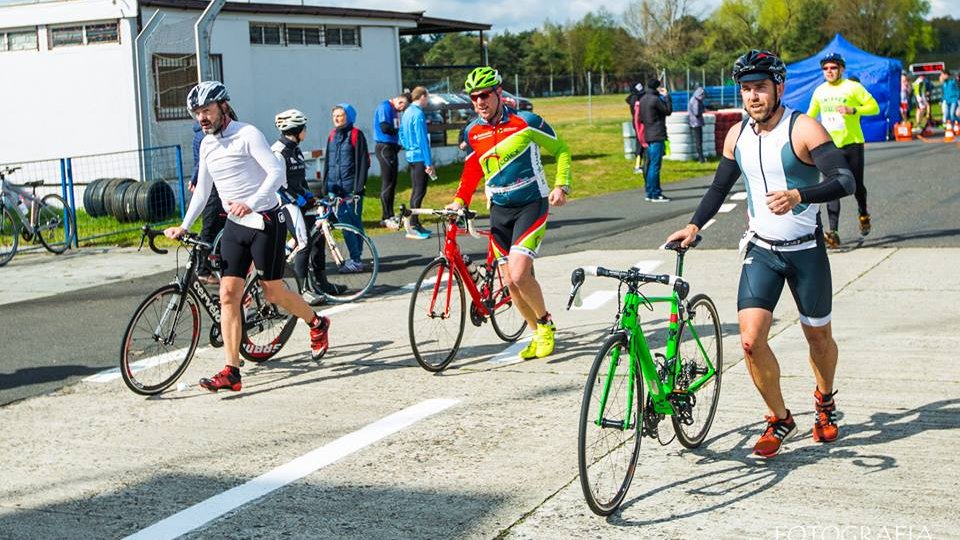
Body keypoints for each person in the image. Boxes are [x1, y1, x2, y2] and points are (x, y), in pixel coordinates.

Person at [666, 50, 855, 458]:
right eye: (746, 89)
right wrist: (695, 225)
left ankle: (824, 402)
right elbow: (719, 188)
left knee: (818, 336)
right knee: (750, 341)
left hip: (806, 251)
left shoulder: (803, 128)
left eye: (760, 88)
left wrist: (800, 194)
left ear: (779, 88)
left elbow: (844, 180)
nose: (753, 96)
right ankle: (780, 417)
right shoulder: (738, 135)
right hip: (762, 251)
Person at [165, 81, 332, 392]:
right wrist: (185, 225)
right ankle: (231, 371)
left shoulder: (247, 134)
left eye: (206, 110)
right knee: (228, 294)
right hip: (236, 225)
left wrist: (251, 202)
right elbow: (202, 191)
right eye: (197, 113)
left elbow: (276, 173)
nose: (201, 117)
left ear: (223, 107)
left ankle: (317, 323)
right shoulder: (206, 144)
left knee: (273, 293)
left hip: (266, 220)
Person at [447, 66, 572, 360]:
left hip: (531, 204)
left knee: (518, 274)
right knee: (509, 281)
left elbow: (562, 149)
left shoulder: (525, 122)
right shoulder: (473, 130)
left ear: (499, 93)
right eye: (474, 97)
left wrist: (561, 186)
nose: (480, 102)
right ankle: (537, 333)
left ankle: (546, 323)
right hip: (500, 210)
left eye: (485, 95)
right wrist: (459, 200)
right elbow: (473, 168)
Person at [270, 108, 345, 305]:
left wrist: (311, 198)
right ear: (295, 129)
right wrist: (300, 200)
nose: (306, 131)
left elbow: (300, 182)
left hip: (299, 201)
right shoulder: (278, 152)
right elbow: (277, 186)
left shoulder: (295, 150)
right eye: (304, 128)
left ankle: (322, 283)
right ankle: (302, 292)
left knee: (317, 237)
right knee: (303, 242)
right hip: (285, 204)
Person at [807, 52, 879, 247]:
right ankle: (833, 232)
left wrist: (853, 110)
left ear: (842, 69)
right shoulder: (819, 91)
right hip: (829, 147)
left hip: (852, 143)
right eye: (826, 68)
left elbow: (875, 107)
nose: (829, 71)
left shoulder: (853, 87)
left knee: (857, 186)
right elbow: (810, 116)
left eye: (833, 67)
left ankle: (863, 212)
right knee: (832, 189)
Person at [322, 103, 370, 272]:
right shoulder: (332, 136)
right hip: (335, 189)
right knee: (345, 223)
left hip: (351, 189)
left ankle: (357, 258)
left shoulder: (357, 135)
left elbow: (363, 162)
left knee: (355, 223)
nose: (336, 118)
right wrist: (325, 186)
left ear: (348, 116)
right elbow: (327, 162)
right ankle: (356, 257)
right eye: (334, 115)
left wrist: (358, 188)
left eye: (340, 115)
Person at [190, 120, 226, 285]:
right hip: (211, 187)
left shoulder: (206, 135)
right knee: (209, 227)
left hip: (217, 186)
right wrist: (194, 179)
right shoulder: (203, 137)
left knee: (219, 225)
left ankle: (215, 263)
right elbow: (201, 164)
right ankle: (202, 269)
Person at [399, 86, 434, 239]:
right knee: (420, 191)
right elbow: (422, 139)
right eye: (427, 97)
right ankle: (413, 224)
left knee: (415, 190)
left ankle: (415, 223)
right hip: (420, 156)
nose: (428, 100)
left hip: (410, 155)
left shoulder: (406, 111)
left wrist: (407, 146)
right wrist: (429, 163)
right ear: (422, 97)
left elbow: (400, 133)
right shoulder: (418, 113)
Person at [373, 92, 410, 230]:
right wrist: (401, 130)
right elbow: (385, 127)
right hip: (384, 147)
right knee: (387, 182)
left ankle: (390, 213)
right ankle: (385, 216)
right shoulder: (385, 107)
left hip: (391, 147)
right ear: (399, 101)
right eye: (403, 106)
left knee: (393, 182)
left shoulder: (394, 110)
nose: (402, 110)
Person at [637, 78, 673, 202]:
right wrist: (667, 97)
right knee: (655, 165)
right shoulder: (655, 100)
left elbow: (641, 118)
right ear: (657, 88)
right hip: (657, 134)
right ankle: (655, 193)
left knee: (651, 163)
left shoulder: (642, 100)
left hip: (648, 133)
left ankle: (649, 191)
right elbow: (668, 111)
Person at [688, 85, 707, 163]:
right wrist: (703, 110)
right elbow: (697, 112)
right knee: (698, 141)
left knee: (698, 141)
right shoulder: (696, 101)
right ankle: (701, 158)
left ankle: (700, 157)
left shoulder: (693, 99)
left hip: (694, 122)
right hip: (696, 123)